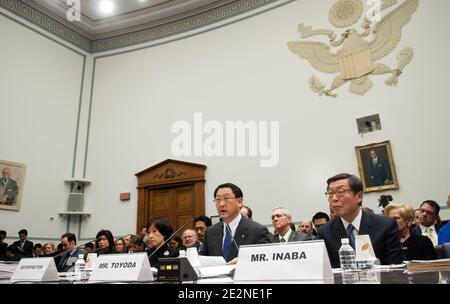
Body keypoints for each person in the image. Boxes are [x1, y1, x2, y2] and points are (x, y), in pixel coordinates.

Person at [317, 173, 402, 268]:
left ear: (359, 196)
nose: (334, 199)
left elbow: (394, 269)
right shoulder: (325, 232)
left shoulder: (385, 225)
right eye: (330, 193)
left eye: (340, 192)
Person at [199, 183, 271, 263]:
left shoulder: (257, 231)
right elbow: (202, 261)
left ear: (240, 202)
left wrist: (243, 261)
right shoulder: (210, 232)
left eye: (226, 198)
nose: (221, 204)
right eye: (218, 199)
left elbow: (266, 260)